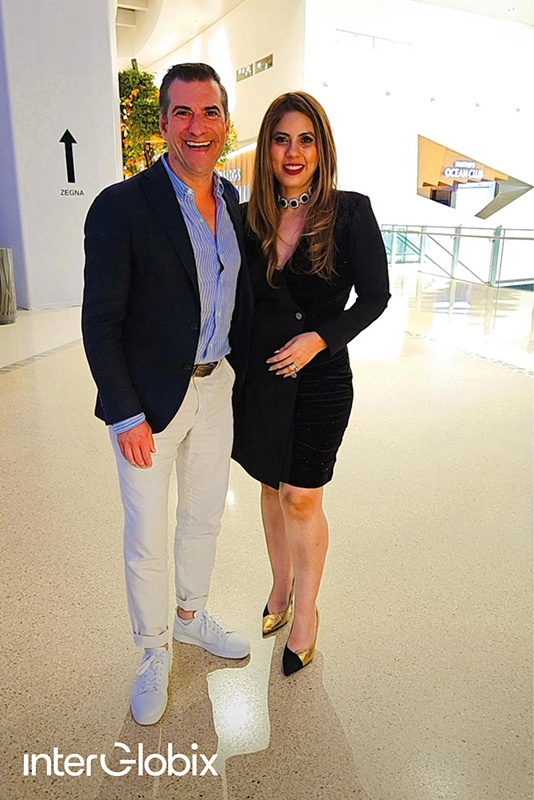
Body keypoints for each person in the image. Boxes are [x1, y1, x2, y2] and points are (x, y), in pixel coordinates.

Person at [82, 63, 253, 725]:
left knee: (203, 517)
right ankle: (153, 650)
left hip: (216, 387)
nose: (197, 126)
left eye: (209, 112)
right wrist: (124, 412)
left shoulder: (233, 203)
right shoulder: (121, 206)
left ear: (225, 121)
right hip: (148, 404)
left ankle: (190, 618)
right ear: (162, 123)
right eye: (183, 112)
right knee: (148, 534)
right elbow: (100, 321)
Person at [233, 92, 390, 675]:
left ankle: (307, 612)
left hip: (321, 379)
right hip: (262, 382)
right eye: (281, 139)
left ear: (322, 148)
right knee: (269, 488)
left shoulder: (350, 212)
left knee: (301, 496)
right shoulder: (248, 217)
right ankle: (280, 586)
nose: (293, 152)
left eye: (305, 140)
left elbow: (375, 297)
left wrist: (320, 339)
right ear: (267, 149)